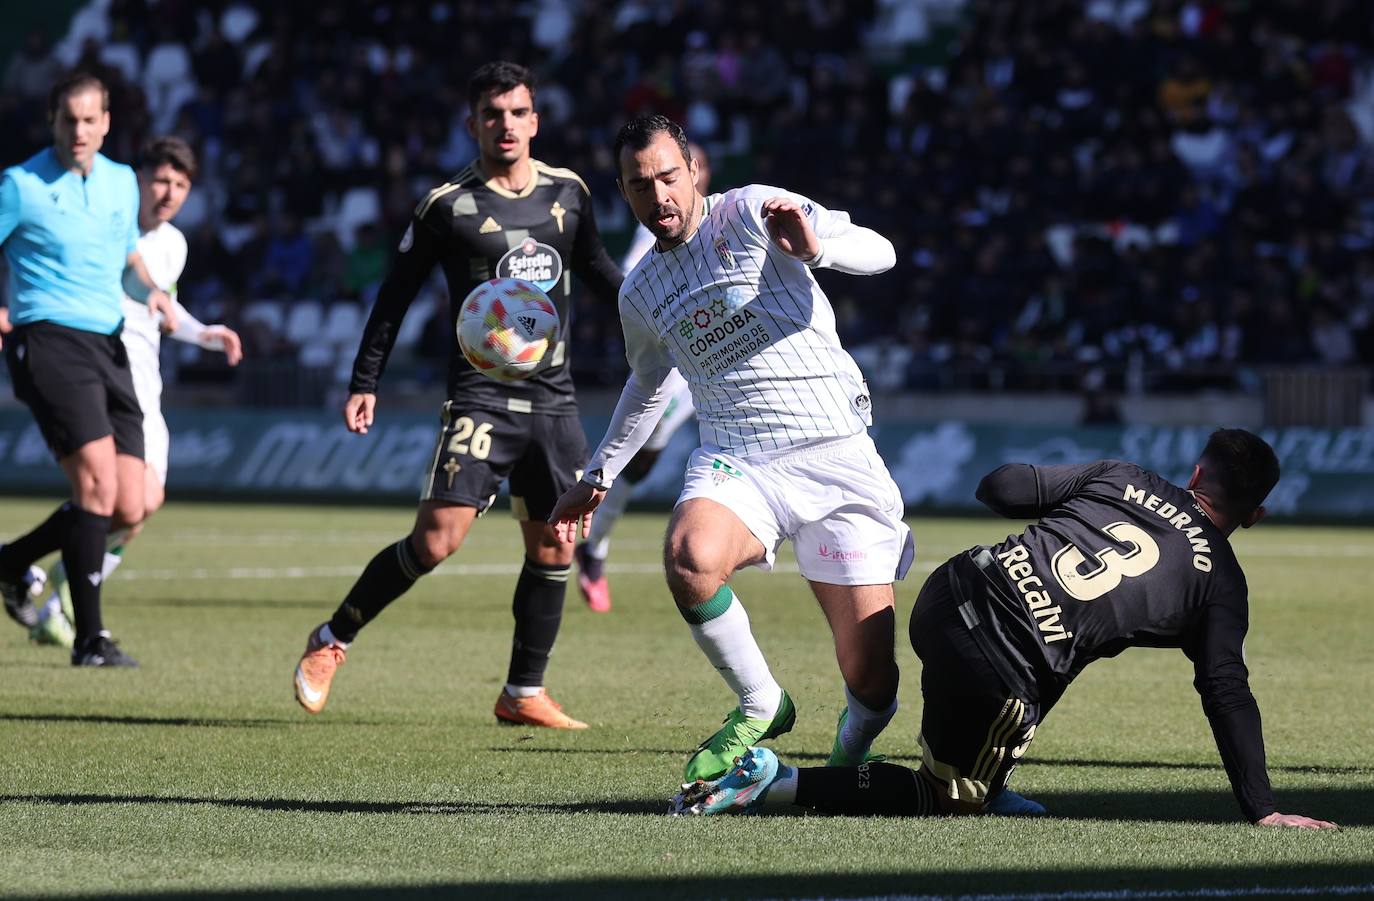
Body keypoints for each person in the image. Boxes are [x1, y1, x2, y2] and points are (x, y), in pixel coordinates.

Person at [674, 429, 1339, 831]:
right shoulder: (1220, 580)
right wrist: (1262, 806)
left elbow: (1002, 486)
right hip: (996, 662)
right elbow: (1226, 689)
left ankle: (988, 768)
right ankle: (774, 780)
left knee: (1064, 645)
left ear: (1196, 473)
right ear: (1255, 515)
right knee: (949, 797)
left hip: (948, 592)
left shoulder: (1126, 476)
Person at [549, 114, 910, 782]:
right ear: (623, 193)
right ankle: (760, 701)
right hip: (738, 456)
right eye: (638, 184)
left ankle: (852, 747)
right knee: (689, 555)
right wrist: (598, 473)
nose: (657, 195)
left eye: (666, 177)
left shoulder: (749, 211)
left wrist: (812, 250)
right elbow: (648, 382)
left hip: (833, 449)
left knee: (872, 675)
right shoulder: (639, 290)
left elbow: (881, 251)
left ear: (693, 171)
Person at [292, 62, 621, 728]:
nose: (506, 125)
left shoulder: (570, 195)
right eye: (492, 114)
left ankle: (523, 692)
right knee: (438, 540)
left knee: (555, 547)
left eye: (517, 112)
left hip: (554, 401)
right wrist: (365, 380)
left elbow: (602, 276)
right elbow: (396, 295)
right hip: (481, 398)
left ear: (536, 120)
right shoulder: (448, 205)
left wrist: (662, 324)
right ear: (472, 123)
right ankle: (333, 639)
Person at [30, 136, 243, 648]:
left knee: (139, 509)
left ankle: (49, 589)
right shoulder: (102, 230)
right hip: (96, 374)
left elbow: (164, 309)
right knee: (120, 502)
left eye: (180, 184)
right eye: (159, 180)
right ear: (137, 181)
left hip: (143, 387)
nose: (168, 193)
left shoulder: (174, 244)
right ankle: (44, 584)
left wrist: (203, 333)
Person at [0, 72, 177, 667]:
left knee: (130, 504)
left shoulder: (122, 183)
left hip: (108, 345)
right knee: (96, 485)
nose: (78, 130)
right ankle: (90, 640)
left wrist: (151, 293)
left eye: (89, 119)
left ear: (105, 123)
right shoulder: (19, 185)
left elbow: (128, 259)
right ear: (52, 119)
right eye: (67, 119)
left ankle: (7, 563)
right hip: (46, 338)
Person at [573, 141, 712, 613]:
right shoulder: (656, 229)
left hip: (722, 358)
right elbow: (634, 276)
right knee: (642, 458)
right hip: (678, 360)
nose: (663, 189)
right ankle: (594, 547)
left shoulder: (725, 221)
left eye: (673, 175)